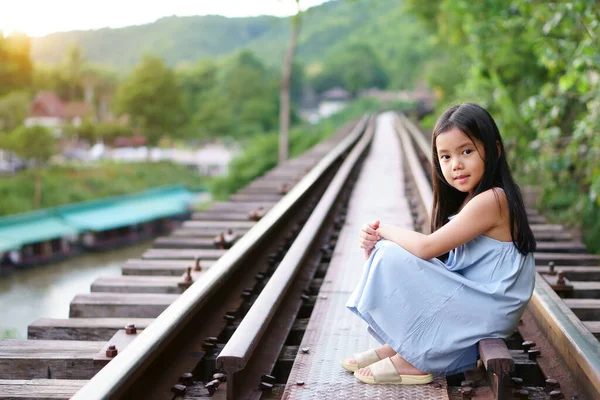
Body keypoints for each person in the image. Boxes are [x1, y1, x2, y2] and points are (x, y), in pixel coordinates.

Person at [341, 103, 536, 385]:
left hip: (488, 308)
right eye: (445, 157)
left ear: (494, 150)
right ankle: (402, 346)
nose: (455, 164)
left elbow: (427, 248)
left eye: (466, 151)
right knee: (388, 253)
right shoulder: (473, 198)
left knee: (392, 254)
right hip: (479, 301)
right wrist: (376, 245)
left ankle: (414, 359)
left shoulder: (494, 199)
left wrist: (382, 229)